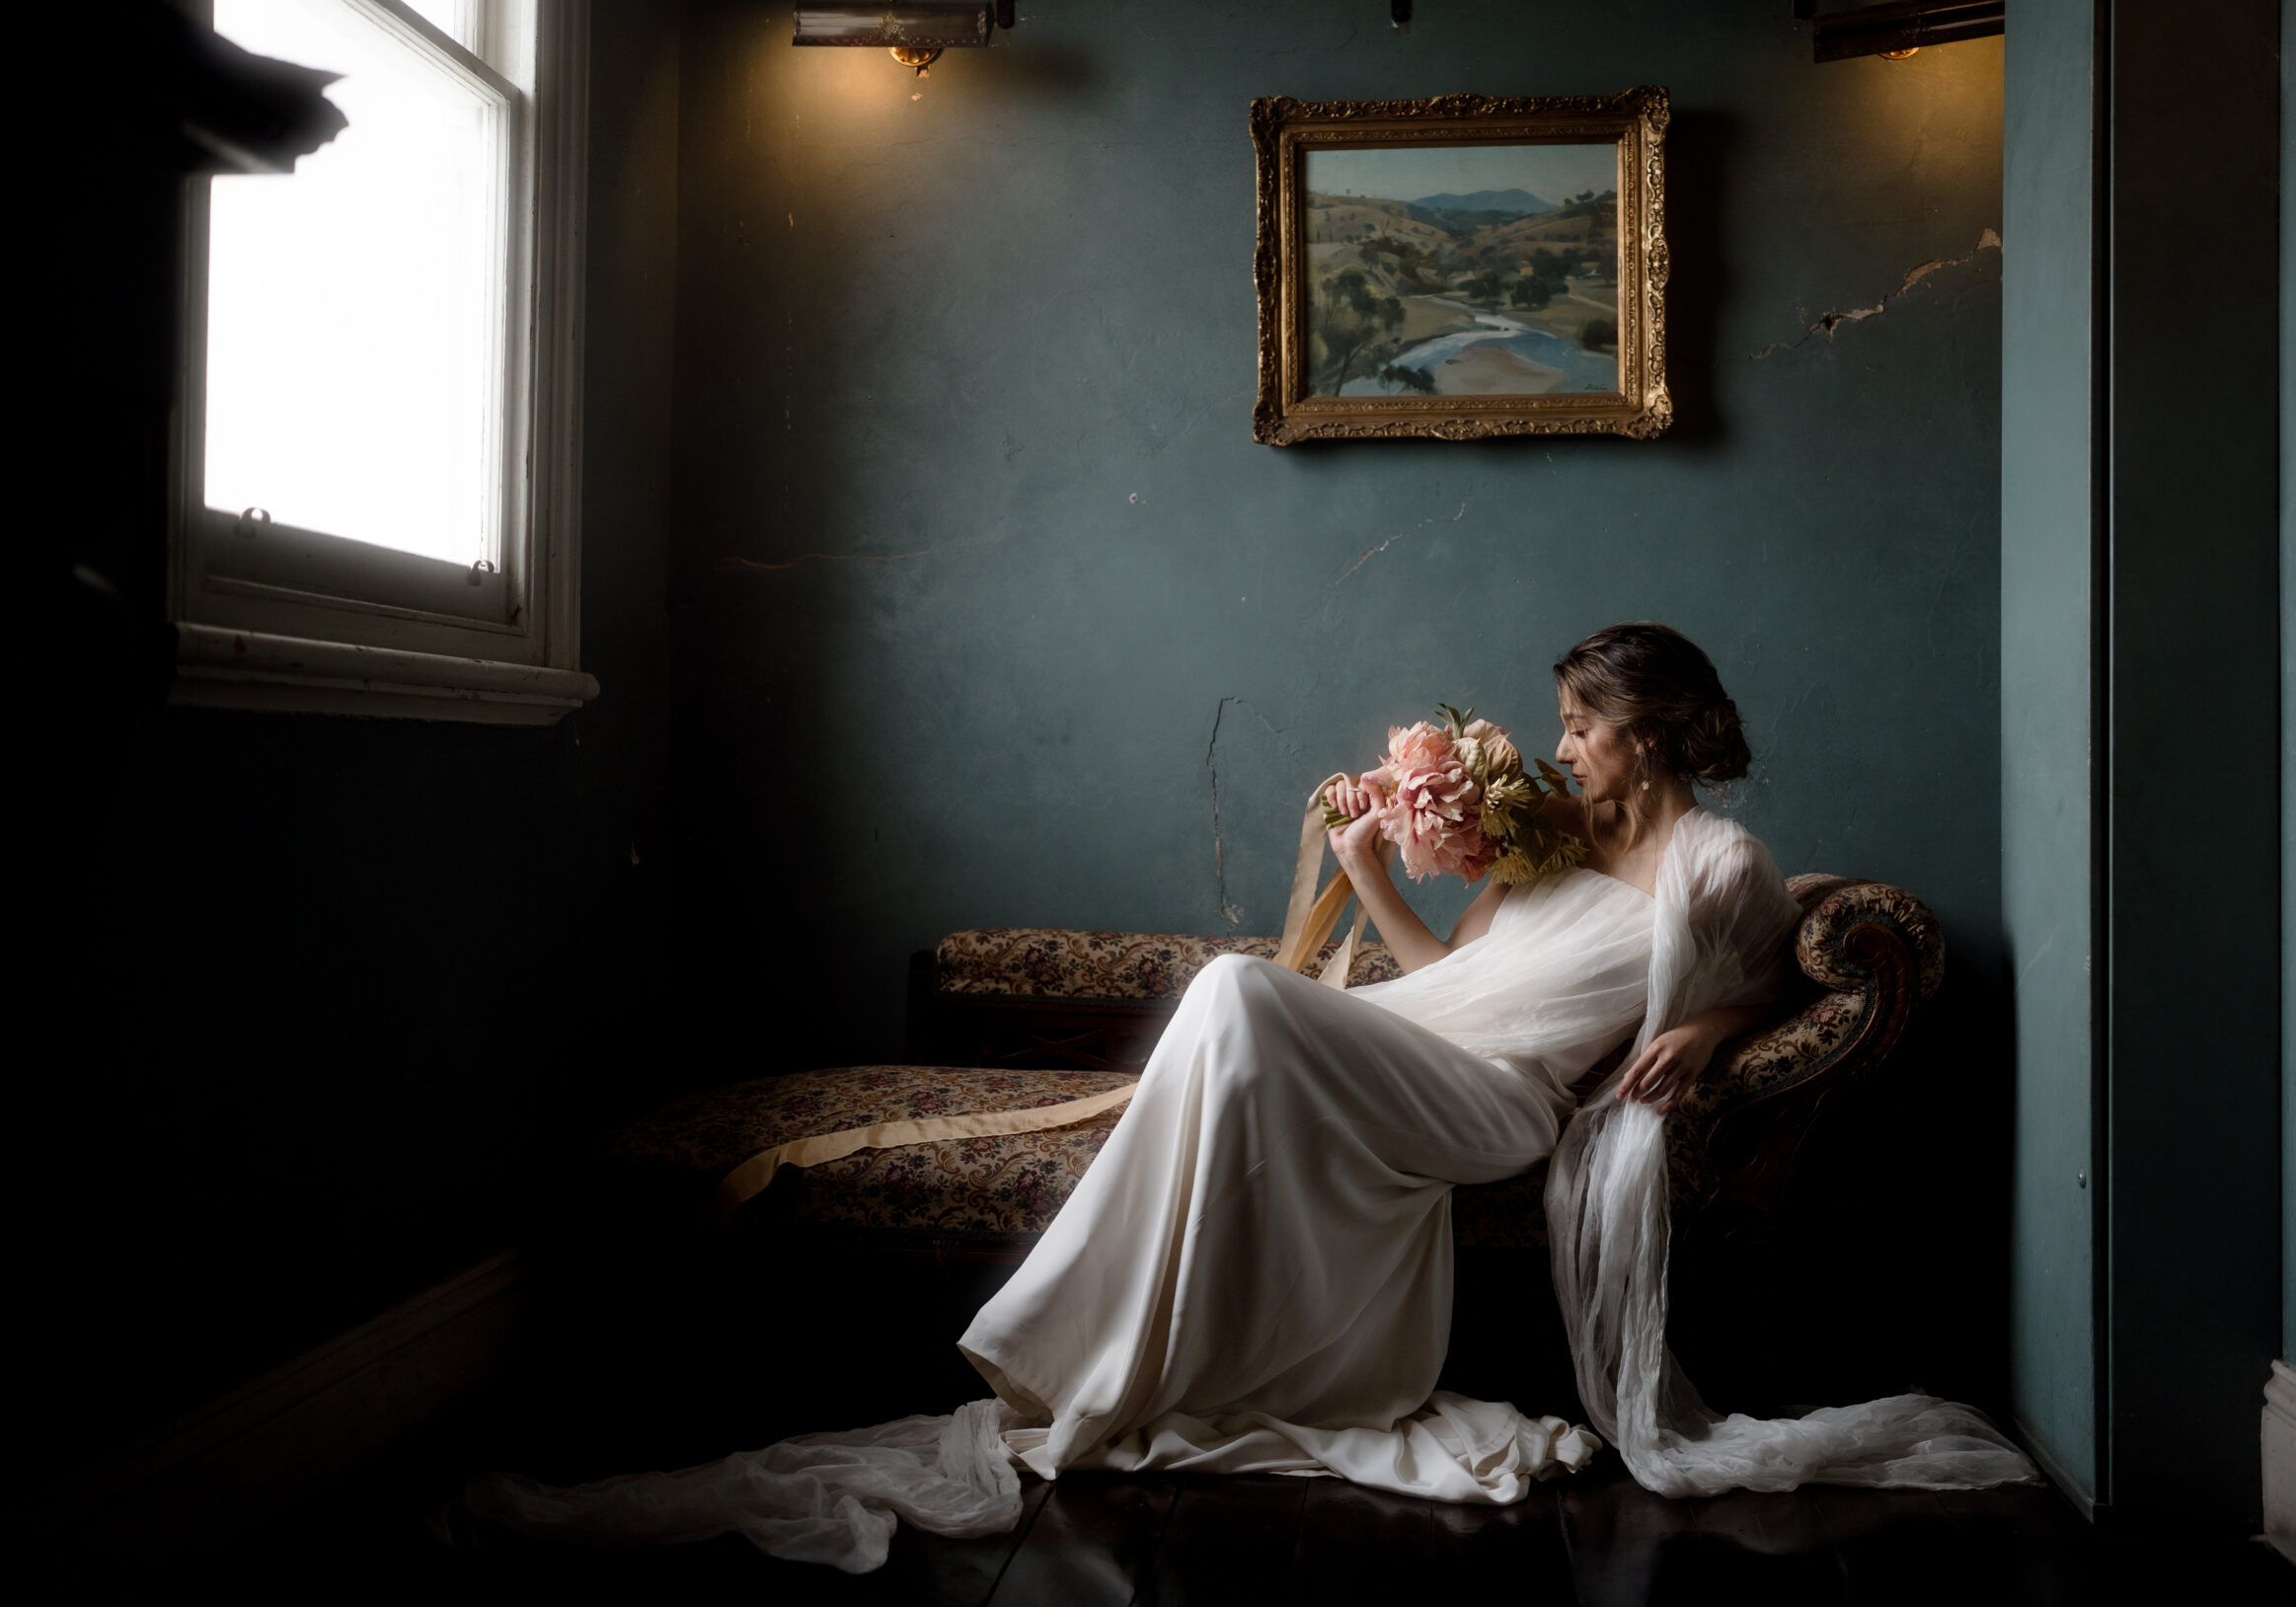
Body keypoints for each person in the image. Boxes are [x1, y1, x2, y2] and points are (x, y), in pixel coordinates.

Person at [467, 624, 2031, 1571]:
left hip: (1500, 1109)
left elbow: (1773, 968)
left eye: (1579, 720)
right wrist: (1369, 877)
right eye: (1560, 722)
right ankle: (1125, 1347)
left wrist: (1720, 1021)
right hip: (1425, 1045)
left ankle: (1086, 1351)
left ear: (1654, 729)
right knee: (1235, 994)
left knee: (1226, 990)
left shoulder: (1717, 862)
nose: (1561, 743)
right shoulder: (1554, 851)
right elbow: (1439, 972)